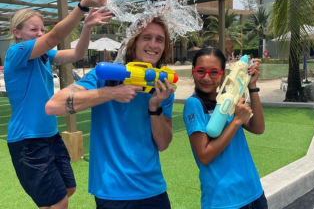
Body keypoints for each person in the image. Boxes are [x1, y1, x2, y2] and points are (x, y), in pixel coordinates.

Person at [46, 16, 175, 209]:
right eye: (146, 37)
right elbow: (53, 105)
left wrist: (155, 107)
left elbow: (163, 144)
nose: (153, 44)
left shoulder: (161, 87)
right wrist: (111, 93)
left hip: (153, 189)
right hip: (113, 191)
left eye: (160, 39)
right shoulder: (104, 76)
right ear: (134, 42)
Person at [5, 0, 110, 209]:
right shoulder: (16, 52)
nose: (39, 33)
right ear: (17, 32)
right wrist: (82, 7)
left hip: (50, 136)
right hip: (28, 140)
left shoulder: (44, 56)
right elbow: (54, 36)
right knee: (59, 202)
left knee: (68, 188)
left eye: (41, 29)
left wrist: (87, 27)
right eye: (33, 29)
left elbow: (77, 54)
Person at [183, 47, 267, 209]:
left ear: (223, 74)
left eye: (214, 72)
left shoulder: (230, 98)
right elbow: (205, 155)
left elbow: (258, 128)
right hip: (223, 199)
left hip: (253, 190)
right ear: (193, 72)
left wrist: (252, 86)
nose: (206, 78)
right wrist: (236, 122)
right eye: (201, 71)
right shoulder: (194, 104)